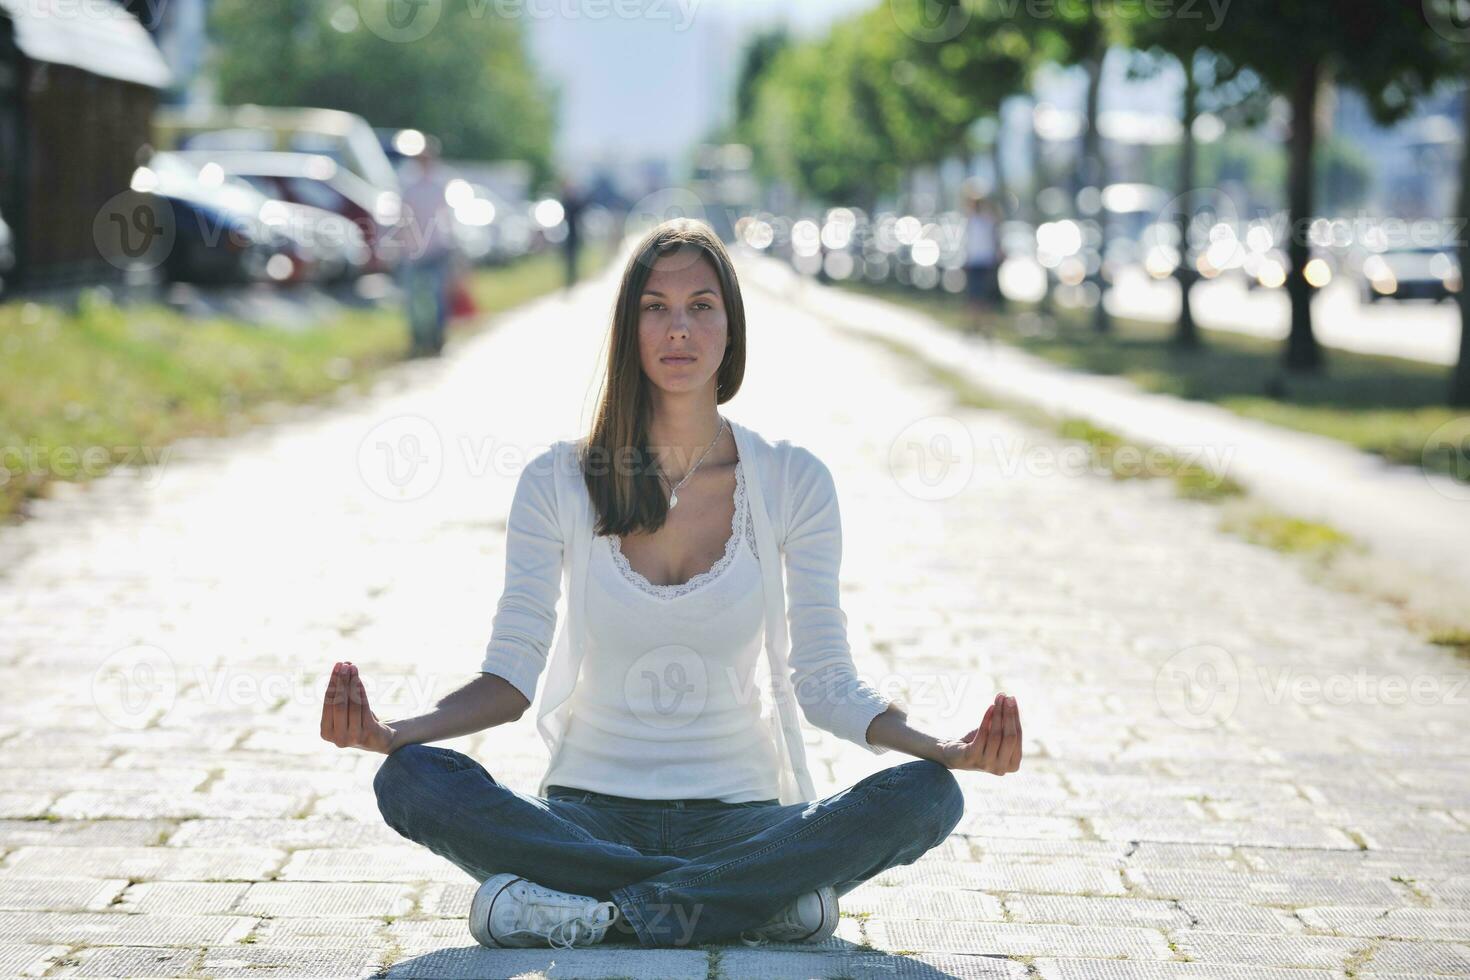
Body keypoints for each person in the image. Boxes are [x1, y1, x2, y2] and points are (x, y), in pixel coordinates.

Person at [320, 218, 1025, 950]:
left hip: (747, 819)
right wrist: (393, 732)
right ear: (629, 327)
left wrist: (942, 744)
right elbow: (510, 676)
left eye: (701, 306)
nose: (678, 328)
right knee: (411, 780)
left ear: (732, 328)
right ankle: (749, 902)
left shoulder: (792, 480)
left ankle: (605, 909)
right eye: (655, 306)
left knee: (927, 794)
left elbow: (825, 682)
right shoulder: (557, 480)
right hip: (585, 817)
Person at [397, 135, 459, 356]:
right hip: (413, 251)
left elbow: (449, 218)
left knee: (436, 297)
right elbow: (403, 218)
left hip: (437, 249)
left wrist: (453, 246)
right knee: (414, 299)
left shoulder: (440, 185)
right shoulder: (408, 185)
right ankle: (418, 340)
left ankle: (437, 340)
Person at [963, 190, 1004, 335]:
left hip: (987, 261)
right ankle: (974, 326)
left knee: (987, 297)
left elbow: (996, 238)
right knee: (973, 297)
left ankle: (987, 326)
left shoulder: (989, 220)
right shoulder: (970, 220)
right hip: (974, 261)